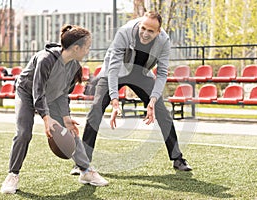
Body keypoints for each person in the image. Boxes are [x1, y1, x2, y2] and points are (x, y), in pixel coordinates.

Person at [70, 11, 192, 175]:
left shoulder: (164, 41)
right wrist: (114, 98)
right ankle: (82, 162)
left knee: (163, 112)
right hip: (113, 72)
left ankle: (178, 159)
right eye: (143, 28)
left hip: (141, 74)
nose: (145, 33)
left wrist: (153, 100)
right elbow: (113, 68)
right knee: (95, 109)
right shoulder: (125, 32)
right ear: (140, 23)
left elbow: (162, 73)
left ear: (158, 31)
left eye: (151, 31)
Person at [0, 24, 108, 194]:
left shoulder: (74, 66)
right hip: (27, 93)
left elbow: (63, 94)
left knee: (71, 130)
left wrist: (65, 118)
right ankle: (12, 175)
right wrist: (46, 118)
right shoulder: (45, 59)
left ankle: (86, 171)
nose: (88, 51)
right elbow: (38, 91)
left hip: (51, 97)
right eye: (87, 47)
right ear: (76, 47)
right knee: (23, 133)